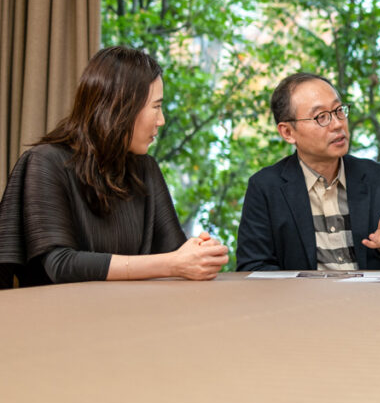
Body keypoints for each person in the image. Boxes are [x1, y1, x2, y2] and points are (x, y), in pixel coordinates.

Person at [0, 46, 229, 287]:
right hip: (59, 317)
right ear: (120, 107)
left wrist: (199, 252)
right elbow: (60, 264)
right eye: (156, 106)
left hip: (130, 313)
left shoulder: (145, 168)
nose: (161, 120)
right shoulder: (45, 162)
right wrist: (172, 263)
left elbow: (173, 250)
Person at [236, 73, 380, 271]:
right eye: (321, 117)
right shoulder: (266, 187)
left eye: (338, 111)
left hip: (371, 299)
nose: (337, 124)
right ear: (288, 132)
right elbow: (253, 267)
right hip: (303, 300)